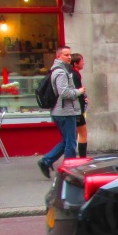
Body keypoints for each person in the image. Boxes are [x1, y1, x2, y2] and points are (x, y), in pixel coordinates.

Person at [37, 47, 82, 180]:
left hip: (62, 111)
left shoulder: (59, 70)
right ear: (58, 57)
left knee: (66, 141)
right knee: (71, 142)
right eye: (65, 55)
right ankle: (69, 171)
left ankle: (46, 160)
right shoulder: (61, 72)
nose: (69, 57)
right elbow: (64, 93)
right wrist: (78, 91)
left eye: (69, 55)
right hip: (65, 112)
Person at [70, 52, 88, 158]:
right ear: (76, 63)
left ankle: (76, 156)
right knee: (83, 133)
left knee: (76, 133)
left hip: (77, 108)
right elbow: (76, 91)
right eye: (82, 61)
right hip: (77, 109)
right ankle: (82, 157)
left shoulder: (74, 74)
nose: (84, 63)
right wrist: (82, 94)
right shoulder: (75, 75)